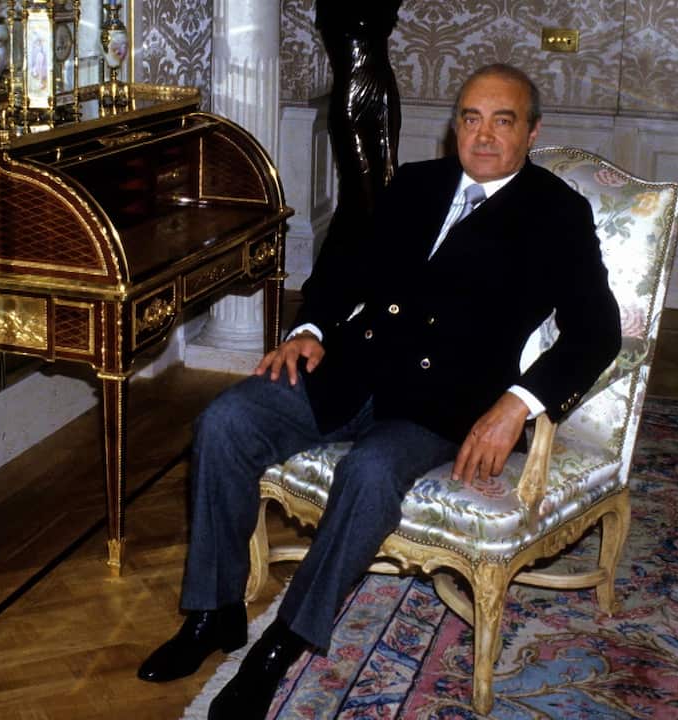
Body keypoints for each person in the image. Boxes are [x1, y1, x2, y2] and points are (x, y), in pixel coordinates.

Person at [137, 63, 622, 719]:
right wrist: (310, 327)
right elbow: (345, 262)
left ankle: (280, 644)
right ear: (455, 127)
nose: (482, 137)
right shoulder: (415, 184)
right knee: (225, 421)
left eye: (501, 121)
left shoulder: (557, 213)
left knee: (368, 472)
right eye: (470, 119)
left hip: (444, 404)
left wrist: (517, 405)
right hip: (351, 372)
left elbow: (597, 333)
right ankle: (213, 613)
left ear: (531, 132)